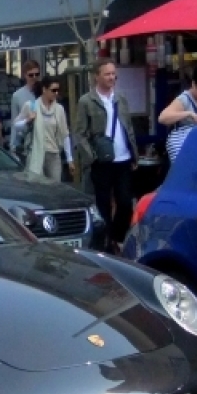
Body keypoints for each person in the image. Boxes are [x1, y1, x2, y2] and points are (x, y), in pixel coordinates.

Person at [73, 58, 139, 252]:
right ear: (97, 76)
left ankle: (117, 236)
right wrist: (91, 156)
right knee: (102, 205)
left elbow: (129, 127)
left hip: (123, 158)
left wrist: (134, 154)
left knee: (125, 202)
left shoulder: (121, 98)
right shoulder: (87, 101)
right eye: (107, 74)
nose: (112, 77)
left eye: (113, 74)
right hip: (102, 160)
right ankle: (107, 242)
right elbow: (80, 133)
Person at [18, 77, 74, 181]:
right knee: (37, 187)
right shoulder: (31, 106)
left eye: (58, 90)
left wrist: (70, 159)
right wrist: (27, 120)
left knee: (55, 189)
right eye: (53, 90)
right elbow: (16, 125)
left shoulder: (59, 109)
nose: (56, 93)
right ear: (44, 90)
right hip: (36, 153)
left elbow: (65, 134)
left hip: (53, 154)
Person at [159, 65, 197, 164]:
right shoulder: (184, 99)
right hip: (187, 154)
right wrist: (188, 114)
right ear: (193, 84)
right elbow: (162, 118)